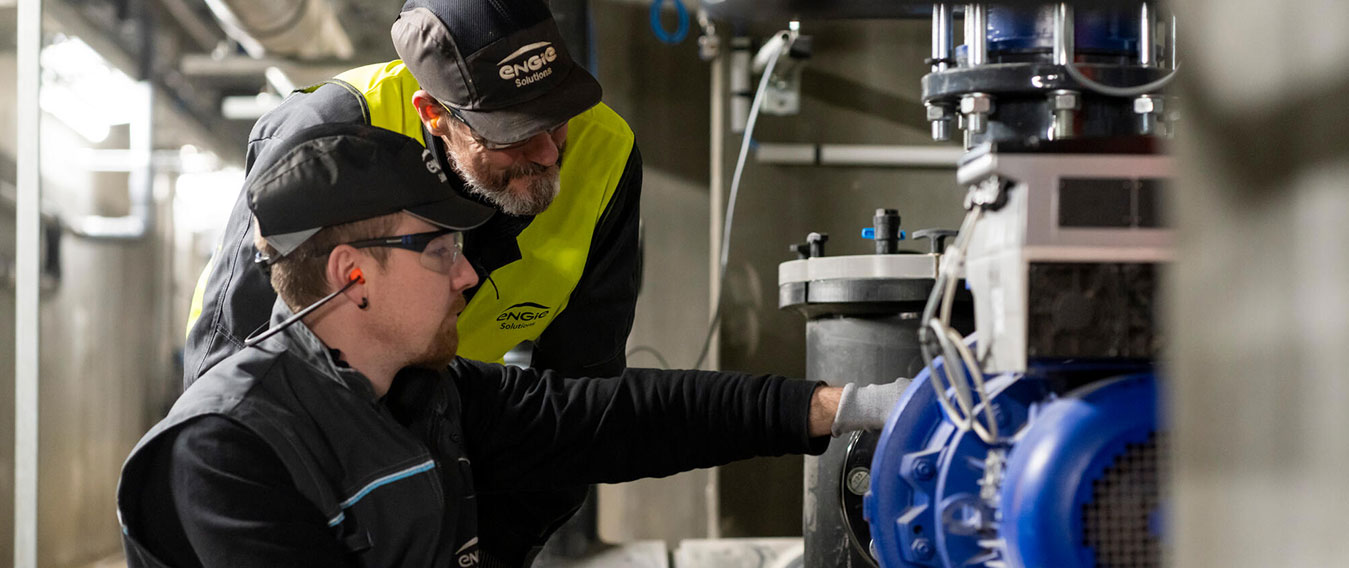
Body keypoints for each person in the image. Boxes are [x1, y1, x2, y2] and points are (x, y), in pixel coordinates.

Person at [120, 125, 902, 568]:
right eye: (438, 251)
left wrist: (854, 406)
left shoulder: (422, 392)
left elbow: (620, 417)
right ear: (351, 274)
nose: (467, 274)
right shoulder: (227, 451)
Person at [181, 0, 642, 555]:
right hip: (318, 439)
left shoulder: (606, 152)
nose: (547, 152)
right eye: (512, 132)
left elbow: (579, 400)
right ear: (434, 115)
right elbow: (234, 364)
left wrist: (496, 550)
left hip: (453, 423)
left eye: (555, 115)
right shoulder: (330, 134)